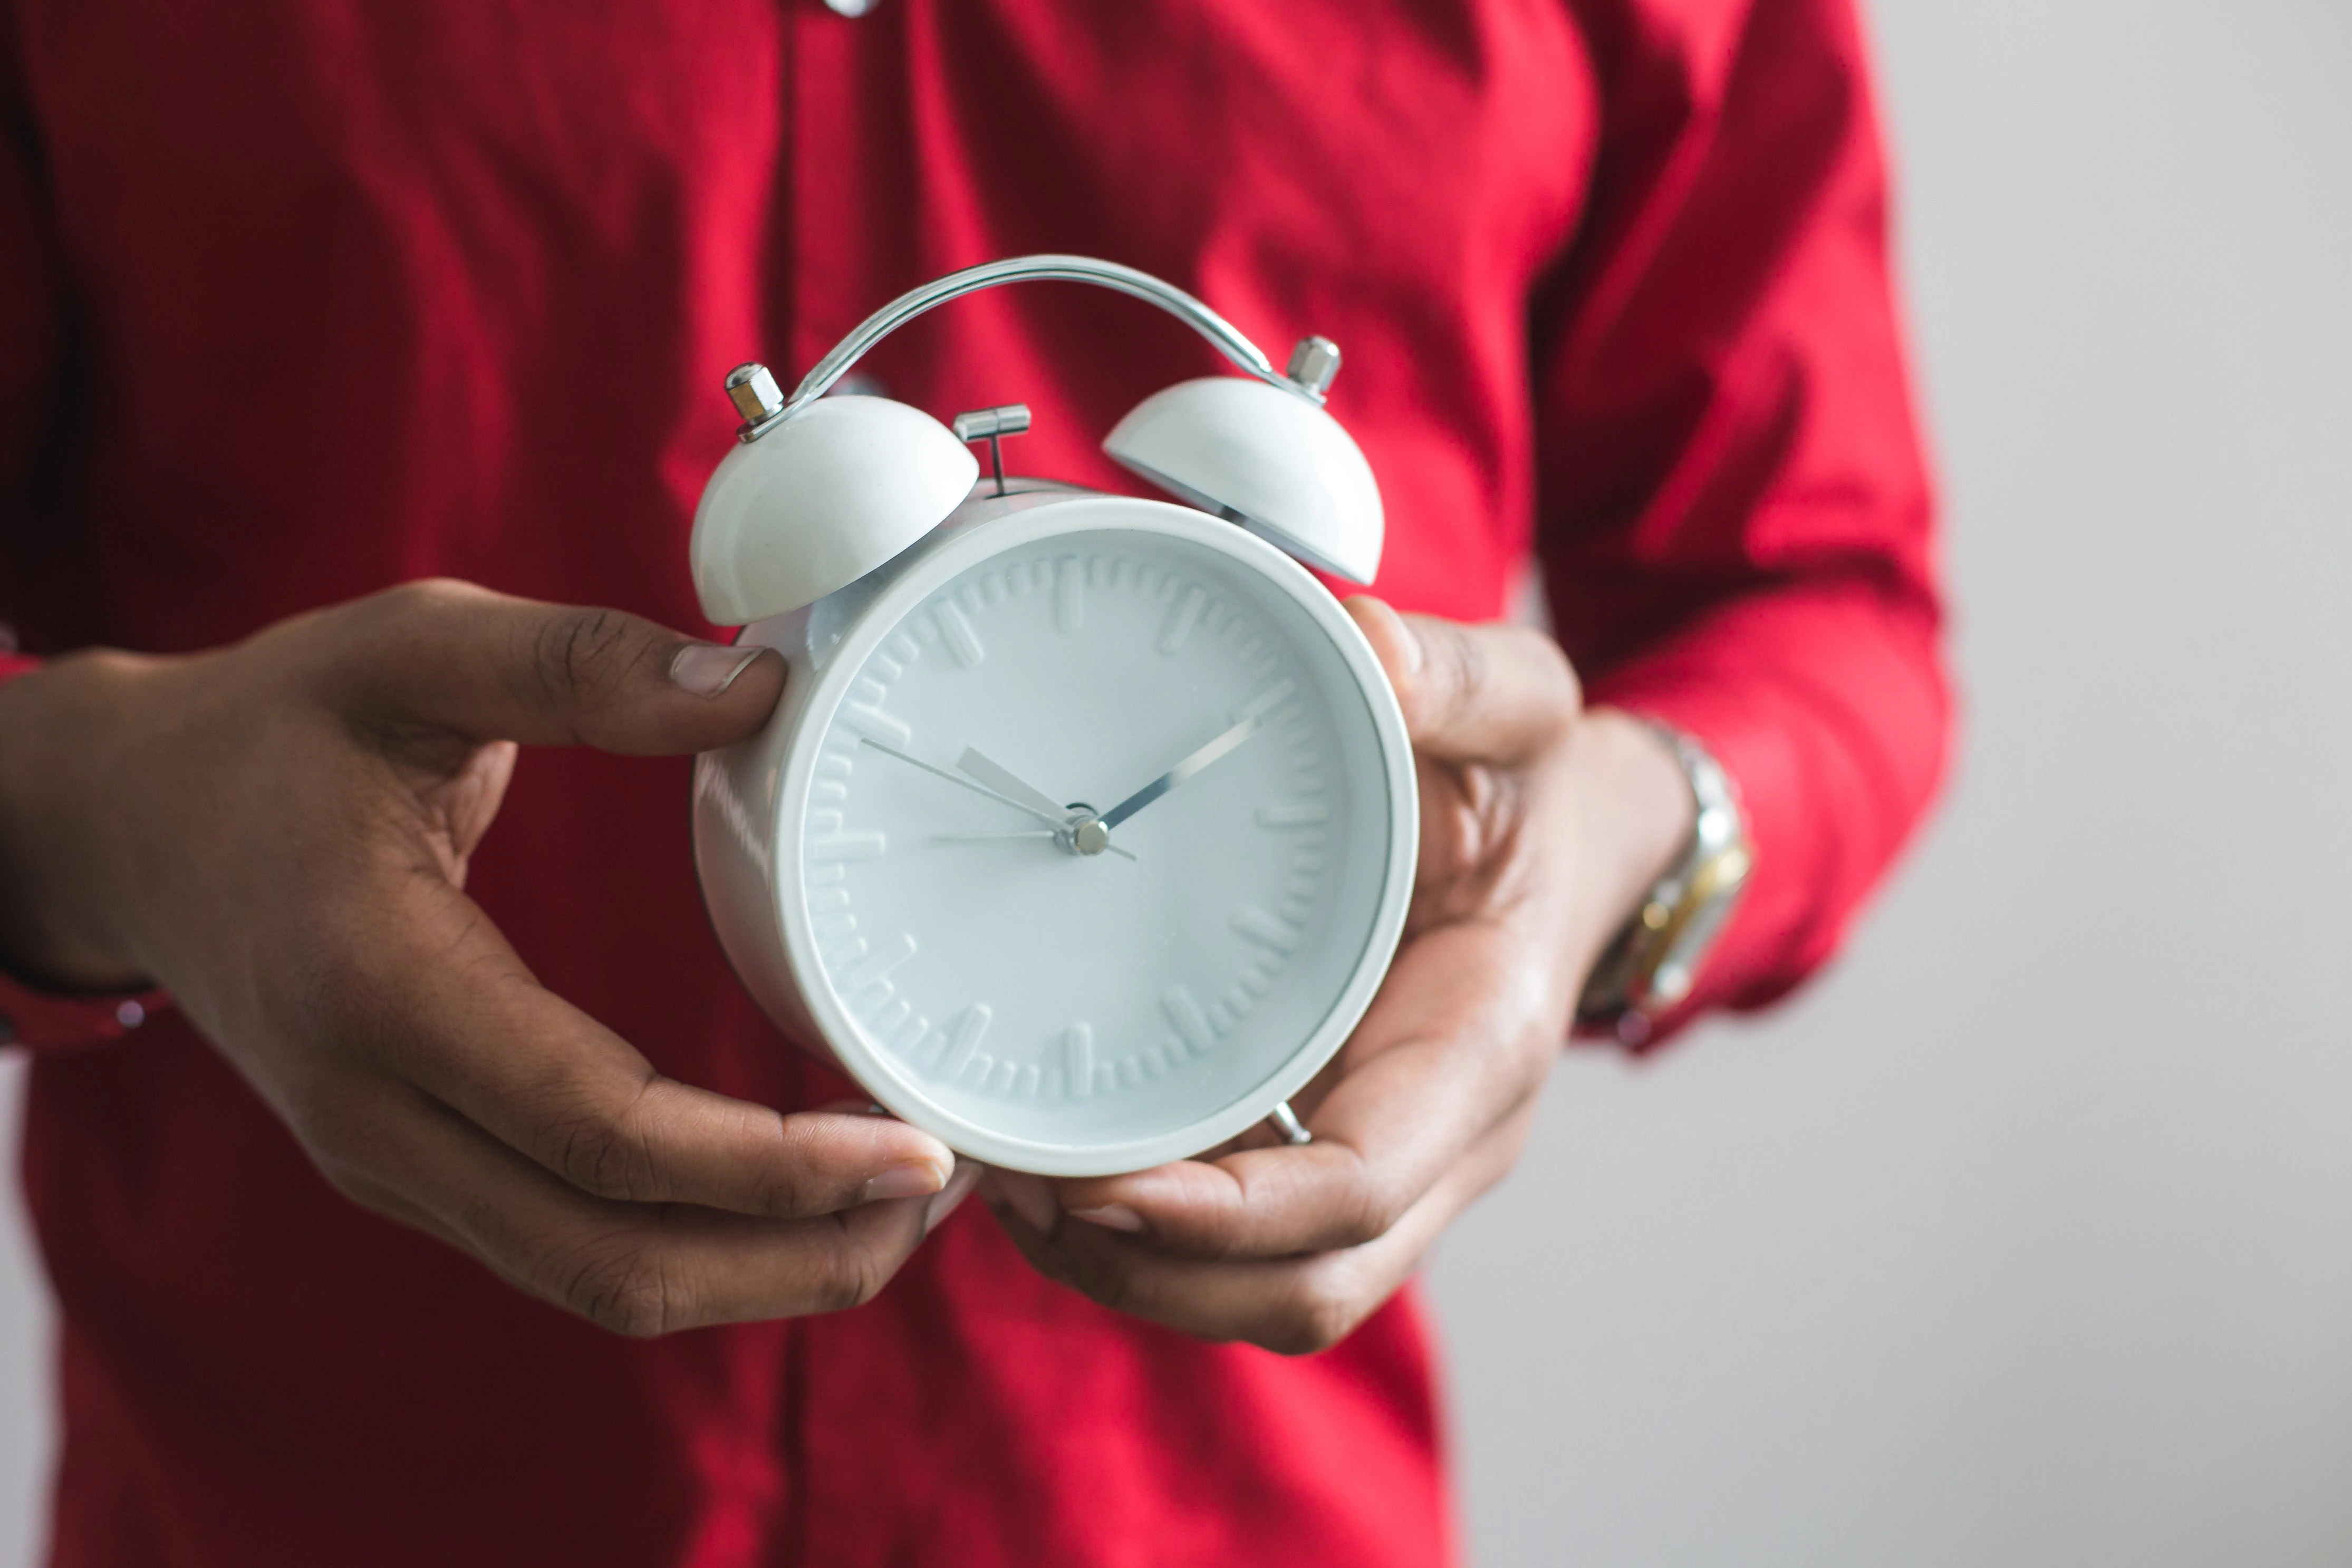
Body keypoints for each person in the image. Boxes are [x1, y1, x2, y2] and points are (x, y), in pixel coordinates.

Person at [0, 0, 1949, 1563]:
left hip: (1214, 1507)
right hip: (312, 1483)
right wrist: (107, 807)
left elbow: (1812, 609)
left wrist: (1617, 842)